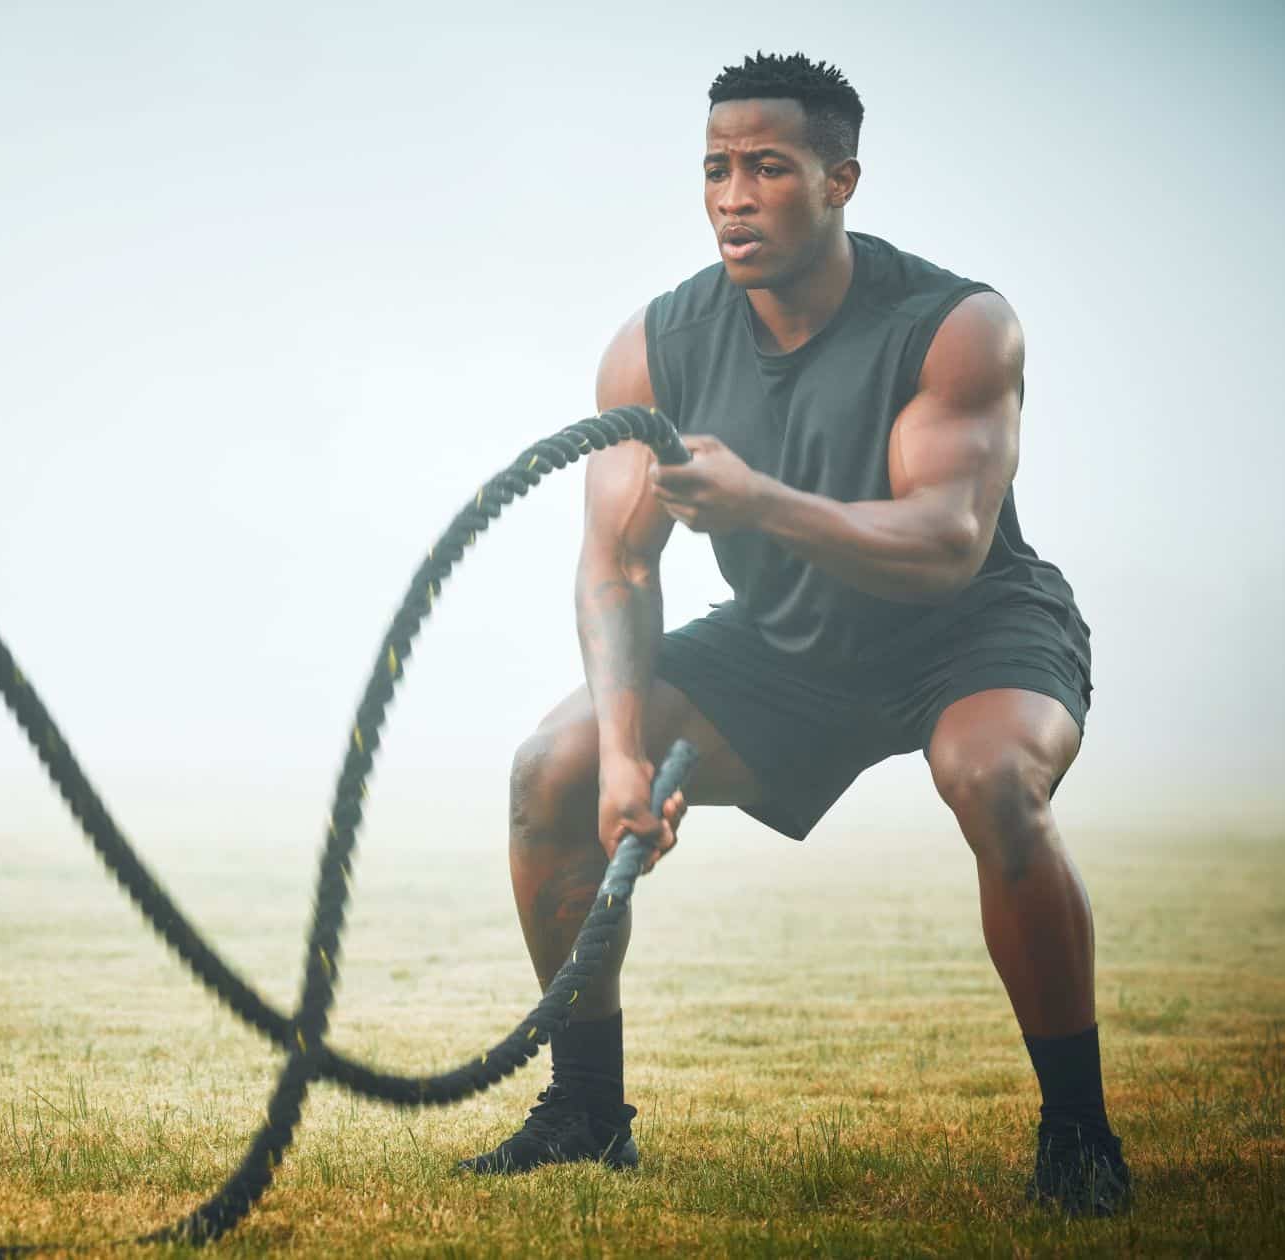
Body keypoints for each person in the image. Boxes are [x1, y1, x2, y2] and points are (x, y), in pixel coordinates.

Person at [456, 52, 1131, 1217]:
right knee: (552, 771)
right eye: (716, 169)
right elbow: (617, 562)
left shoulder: (958, 325)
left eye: (768, 168)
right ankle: (583, 1114)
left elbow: (946, 541)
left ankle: (1079, 1136)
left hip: (967, 630)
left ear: (841, 180)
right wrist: (624, 753)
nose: (733, 195)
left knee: (993, 777)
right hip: (780, 645)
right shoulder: (655, 346)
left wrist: (759, 501)